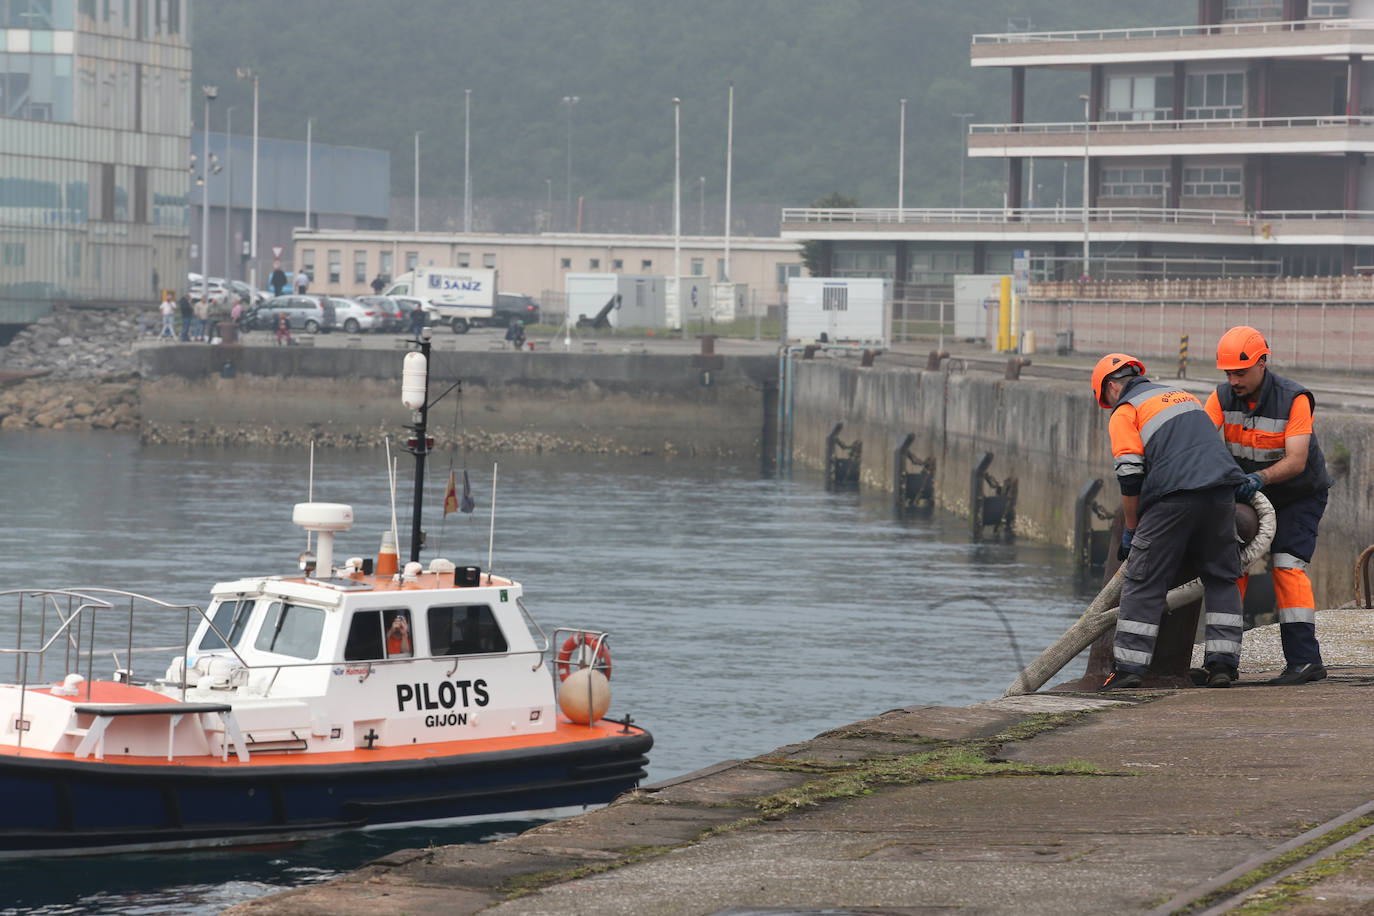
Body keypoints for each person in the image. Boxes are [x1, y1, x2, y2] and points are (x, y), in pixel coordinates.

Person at [1090, 353, 1247, 690]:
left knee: (1143, 579)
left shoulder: (1126, 411)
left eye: (1106, 399)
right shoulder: (1182, 396)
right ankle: (1222, 666)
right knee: (1222, 577)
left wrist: (1132, 528)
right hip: (1220, 493)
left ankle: (1130, 669)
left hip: (1173, 497)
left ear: (1111, 387)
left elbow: (1130, 476)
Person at [1205, 326, 1333, 686]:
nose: (1234, 380)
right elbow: (1200, 439)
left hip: (1297, 494)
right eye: (1228, 373)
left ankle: (1305, 662)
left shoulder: (1294, 399)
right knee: (1232, 565)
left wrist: (1259, 479)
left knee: (1287, 565)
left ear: (1263, 362)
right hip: (1247, 495)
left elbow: (1295, 460)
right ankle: (1220, 664)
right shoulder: (1220, 397)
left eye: (1241, 372)